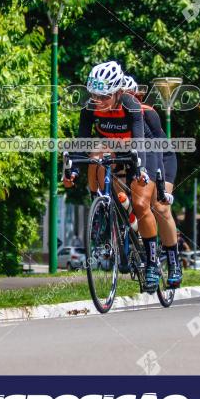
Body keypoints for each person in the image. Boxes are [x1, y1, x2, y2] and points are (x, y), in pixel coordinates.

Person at [63, 61, 164, 291]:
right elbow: (82, 141)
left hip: (142, 147)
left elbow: (139, 141)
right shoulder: (90, 107)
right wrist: (74, 170)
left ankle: (151, 262)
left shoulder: (131, 106)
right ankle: (100, 209)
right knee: (96, 153)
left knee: (140, 203)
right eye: (94, 95)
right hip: (113, 146)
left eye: (104, 97)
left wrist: (140, 171)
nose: (98, 101)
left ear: (118, 92)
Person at [122, 75, 182, 288]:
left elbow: (158, 148)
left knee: (160, 207)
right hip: (134, 159)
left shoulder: (146, 113)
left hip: (160, 158)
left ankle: (174, 262)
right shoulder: (111, 117)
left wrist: (158, 185)